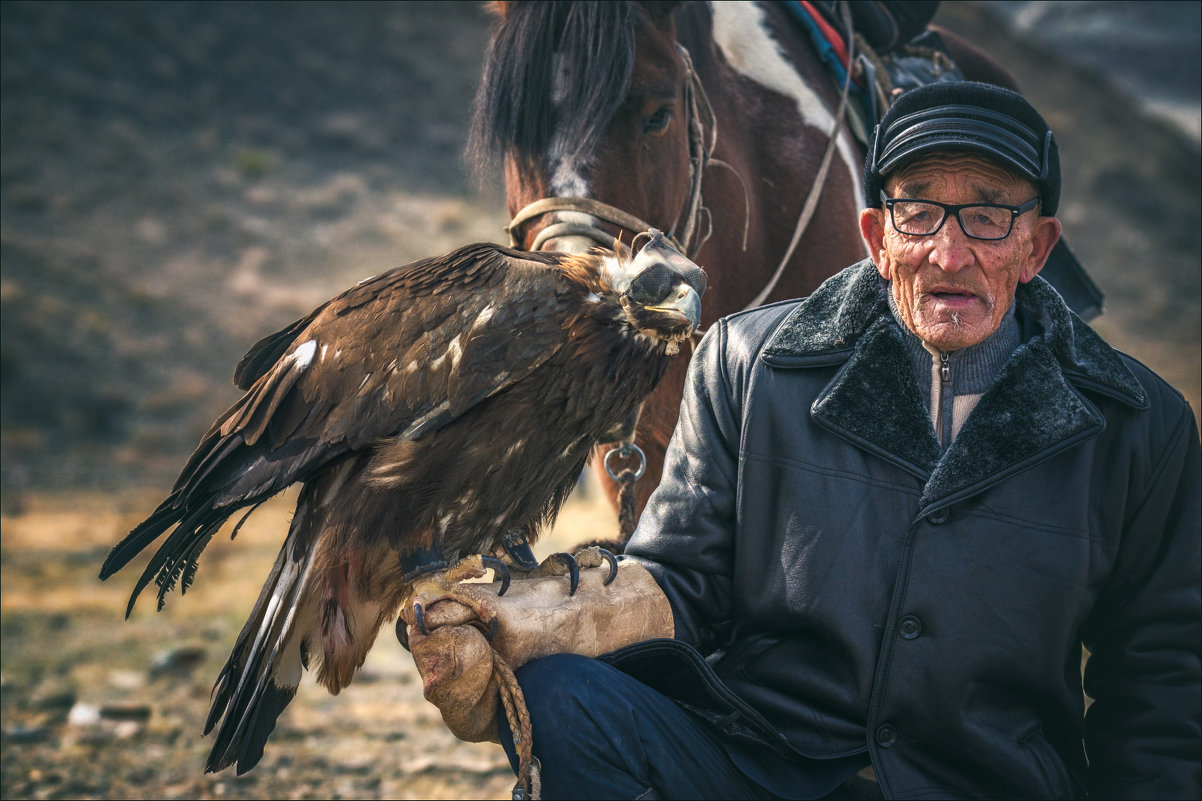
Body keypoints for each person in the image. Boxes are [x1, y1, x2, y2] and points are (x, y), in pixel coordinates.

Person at [405, 82, 1201, 800]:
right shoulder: (751, 364)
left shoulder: (1138, 426)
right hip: (768, 765)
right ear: (876, 236)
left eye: (989, 214)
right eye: (918, 212)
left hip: (981, 779)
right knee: (566, 705)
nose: (948, 253)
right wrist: (542, 626)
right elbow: (681, 578)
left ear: (1037, 247)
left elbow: (1161, 684)